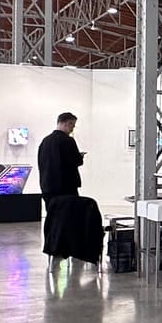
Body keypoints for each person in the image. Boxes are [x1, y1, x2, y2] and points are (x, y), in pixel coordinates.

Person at [38, 112, 100, 266]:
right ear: (66, 123)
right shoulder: (67, 141)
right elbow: (74, 161)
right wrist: (80, 157)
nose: (72, 129)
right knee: (70, 220)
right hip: (66, 188)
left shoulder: (45, 141)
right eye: (72, 125)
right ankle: (70, 249)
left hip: (48, 188)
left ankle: (54, 248)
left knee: (53, 219)